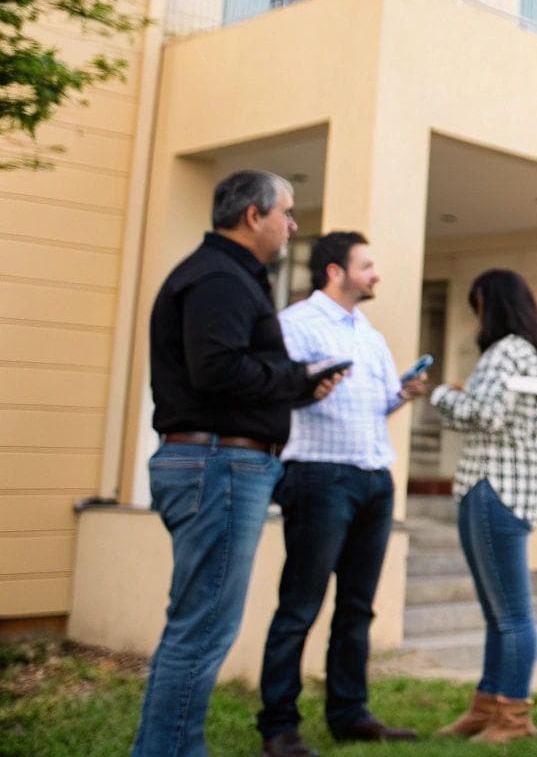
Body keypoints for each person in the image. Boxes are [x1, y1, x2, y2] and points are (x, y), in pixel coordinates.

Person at [132, 170, 347, 757]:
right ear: (254, 215)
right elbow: (219, 371)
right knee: (203, 630)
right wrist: (295, 376)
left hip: (215, 460)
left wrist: (299, 390)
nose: (293, 225)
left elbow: (230, 377)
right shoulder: (220, 279)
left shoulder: (222, 275)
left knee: (196, 625)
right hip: (217, 464)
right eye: (287, 212)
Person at [256, 232, 428, 756]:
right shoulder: (295, 325)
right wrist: (308, 388)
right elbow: (275, 393)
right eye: (367, 265)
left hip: (374, 478)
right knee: (300, 606)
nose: (376, 275)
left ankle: (350, 714)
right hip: (319, 476)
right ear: (335, 271)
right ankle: (279, 727)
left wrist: (402, 394)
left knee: (357, 607)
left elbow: (375, 404)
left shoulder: (368, 333)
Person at [428, 269, 537, 744]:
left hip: (496, 489)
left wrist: (441, 394)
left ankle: (513, 719)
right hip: (496, 488)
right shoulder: (519, 352)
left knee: (513, 616)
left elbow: (486, 414)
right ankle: (486, 708)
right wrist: (467, 397)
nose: (473, 316)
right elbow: (491, 410)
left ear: (489, 304)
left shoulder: (509, 352)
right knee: (498, 613)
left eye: (475, 305)